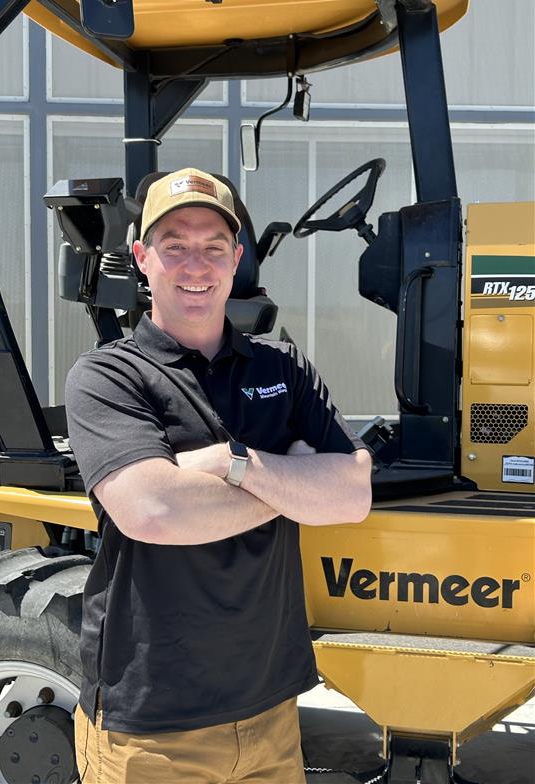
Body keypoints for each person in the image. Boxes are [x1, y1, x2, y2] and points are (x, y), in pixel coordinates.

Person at [65, 167, 372, 784]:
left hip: (271, 709)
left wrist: (233, 464)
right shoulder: (108, 377)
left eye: (212, 247)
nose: (195, 266)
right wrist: (293, 484)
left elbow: (352, 493)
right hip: (153, 725)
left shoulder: (283, 367)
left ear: (236, 259)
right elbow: (154, 512)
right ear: (142, 257)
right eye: (174, 247)